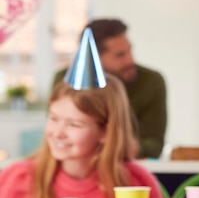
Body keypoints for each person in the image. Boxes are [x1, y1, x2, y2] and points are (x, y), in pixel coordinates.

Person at [0, 74, 167, 198]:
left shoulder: (137, 184)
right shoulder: (15, 179)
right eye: (53, 118)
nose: (58, 133)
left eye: (74, 124)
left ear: (105, 132)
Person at [53, 19, 167, 159]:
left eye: (129, 50)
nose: (130, 60)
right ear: (95, 58)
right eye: (120, 55)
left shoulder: (151, 81)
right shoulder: (65, 80)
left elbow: (154, 144)